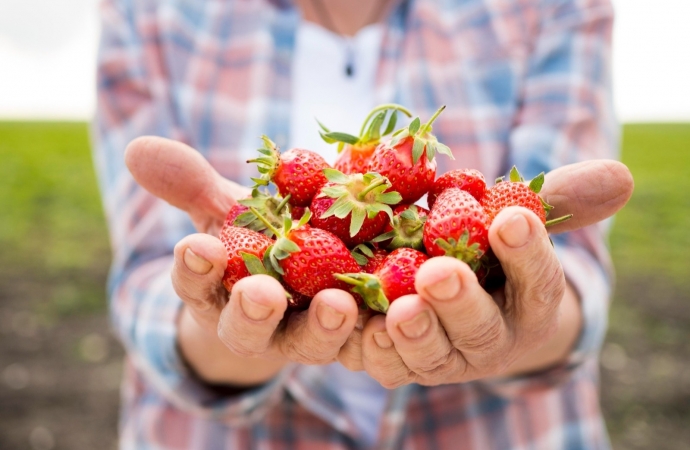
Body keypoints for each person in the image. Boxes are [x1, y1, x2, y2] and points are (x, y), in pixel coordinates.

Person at [93, 0, 633, 448]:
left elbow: (570, 267)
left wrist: (524, 313)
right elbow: (148, 286)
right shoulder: (149, 12)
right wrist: (232, 326)